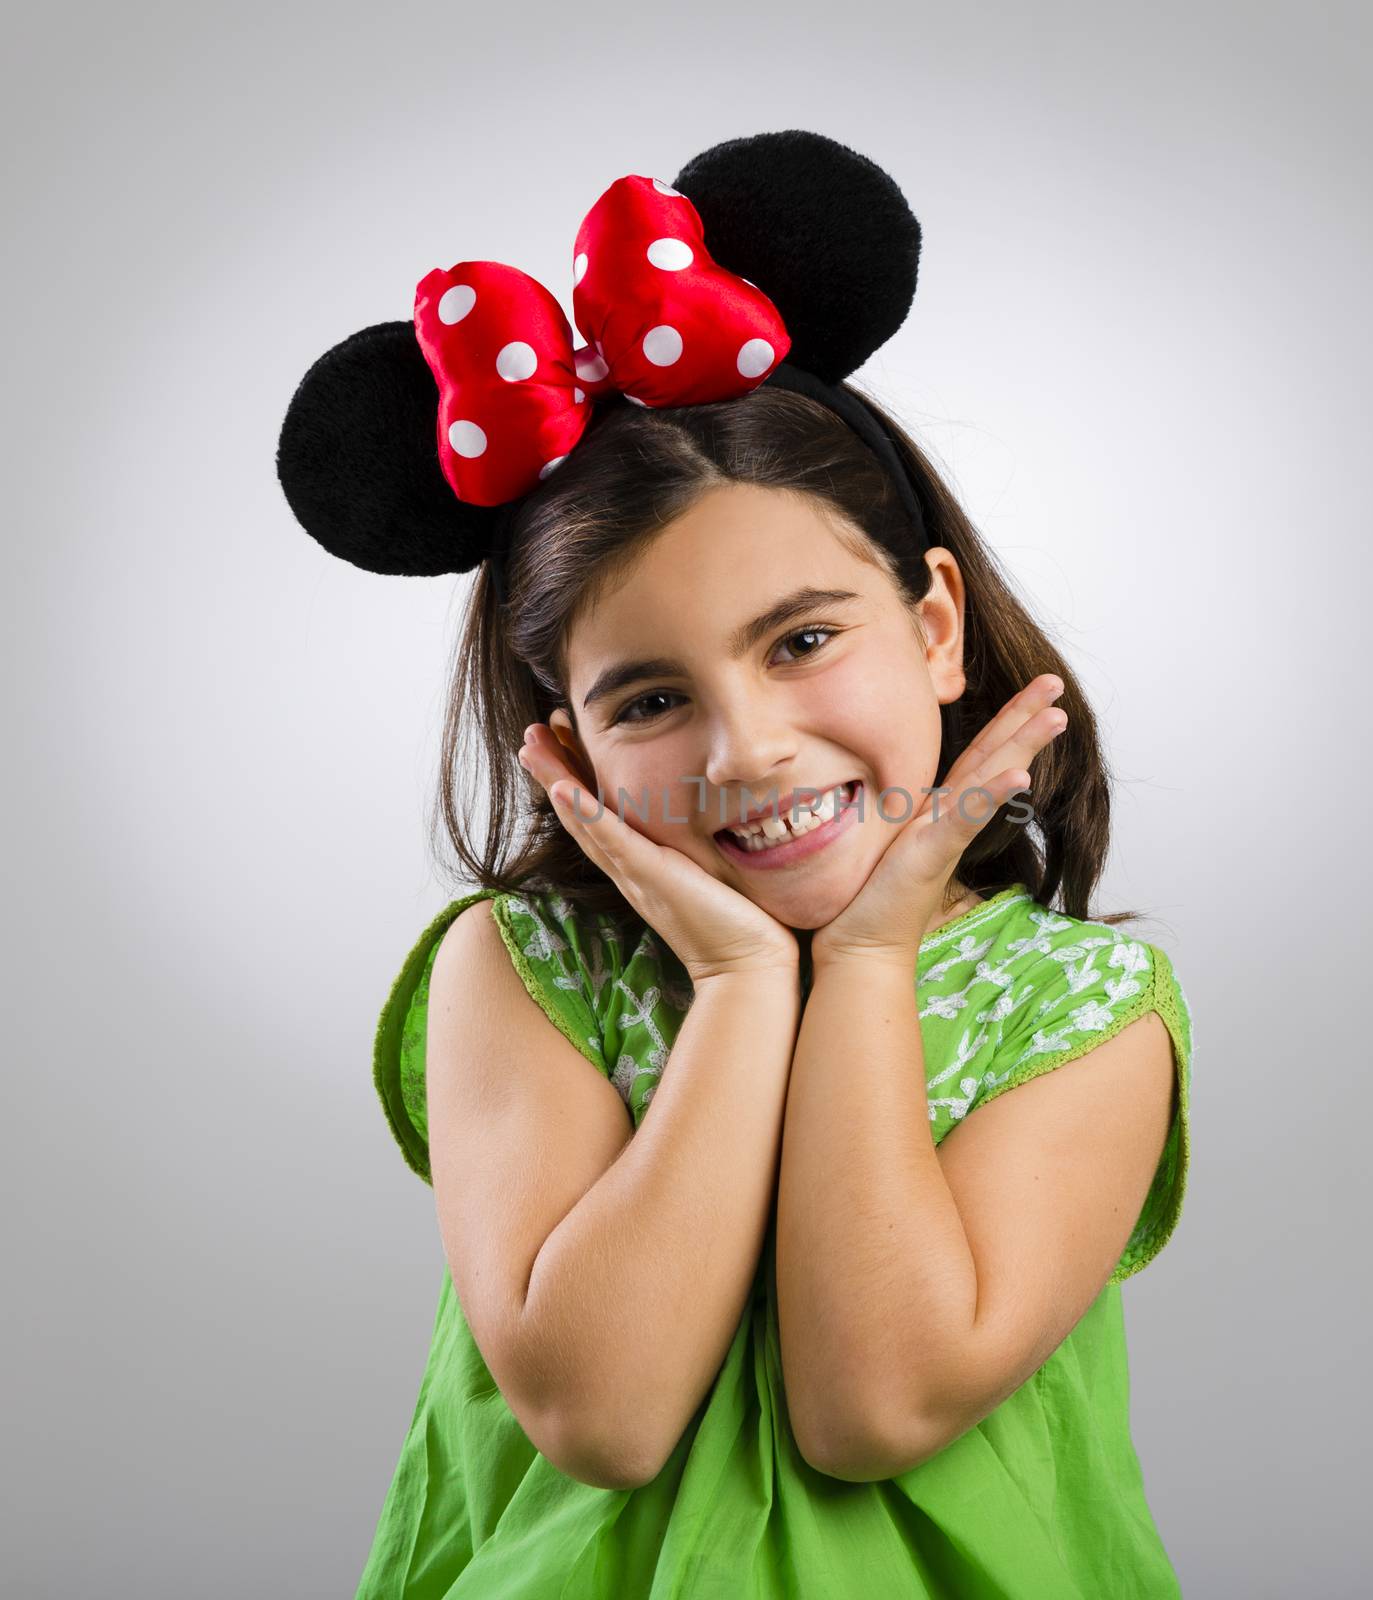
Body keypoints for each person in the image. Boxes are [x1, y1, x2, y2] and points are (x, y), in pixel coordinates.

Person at [279, 128, 1195, 1598]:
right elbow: (604, 1413)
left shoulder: (1084, 1007)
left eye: (803, 640)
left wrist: (874, 963)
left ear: (937, 625)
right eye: (650, 698)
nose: (750, 747)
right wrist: (741, 980)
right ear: (562, 745)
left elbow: (871, 1407)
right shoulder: (521, 975)